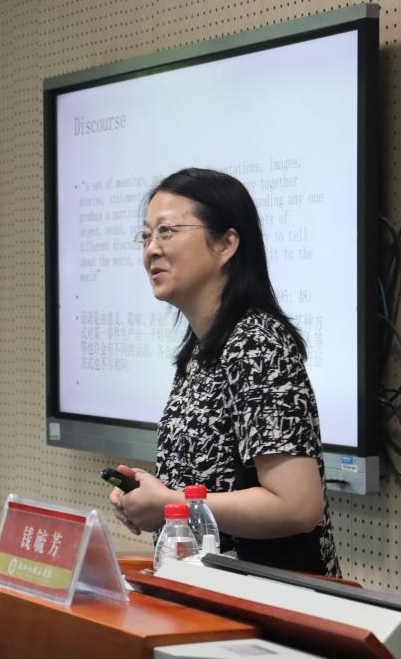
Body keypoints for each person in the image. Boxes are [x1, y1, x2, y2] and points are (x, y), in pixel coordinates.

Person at [109, 167, 341, 577]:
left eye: (167, 231)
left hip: (269, 600)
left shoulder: (258, 344)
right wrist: (151, 497)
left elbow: (297, 506)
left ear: (226, 244)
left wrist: (169, 504)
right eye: (145, 236)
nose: (151, 250)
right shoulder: (201, 350)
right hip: (209, 590)